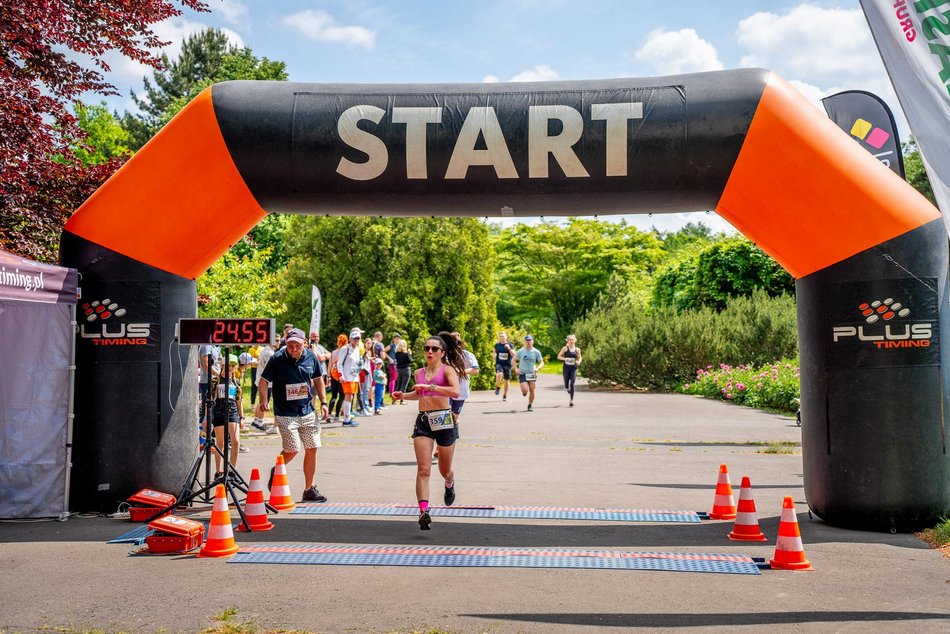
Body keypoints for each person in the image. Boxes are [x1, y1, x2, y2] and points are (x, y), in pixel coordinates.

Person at [392, 332, 465, 530]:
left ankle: (449, 482)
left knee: (444, 469)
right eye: (427, 348)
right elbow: (418, 394)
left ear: (442, 352)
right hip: (424, 421)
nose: (430, 352)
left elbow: (455, 392)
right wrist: (403, 395)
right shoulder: (418, 372)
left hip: (444, 420)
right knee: (424, 469)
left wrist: (430, 386)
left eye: (434, 349)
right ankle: (424, 511)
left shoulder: (448, 370)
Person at [258, 328, 330, 502]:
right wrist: (263, 399)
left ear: (304, 343)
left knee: (312, 447)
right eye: (290, 346)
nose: (294, 349)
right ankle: (277, 469)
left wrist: (324, 402)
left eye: (297, 346)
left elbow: (318, 379)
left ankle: (309, 489)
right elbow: (263, 380)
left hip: (307, 410)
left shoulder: (311, 357)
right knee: (293, 449)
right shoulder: (277, 359)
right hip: (285, 412)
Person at [211, 363, 243, 476]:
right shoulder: (216, 381)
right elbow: (210, 398)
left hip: (233, 412)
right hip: (219, 412)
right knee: (220, 443)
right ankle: (218, 471)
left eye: (231, 368)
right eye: (226, 367)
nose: (228, 370)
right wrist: (207, 417)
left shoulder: (236, 382)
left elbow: (239, 400)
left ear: (234, 369)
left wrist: (242, 417)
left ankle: (232, 470)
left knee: (236, 441)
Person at [334, 329, 363, 426]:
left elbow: (357, 362)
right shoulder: (345, 348)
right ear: (350, 339)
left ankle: (348, 417)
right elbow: (339, 363)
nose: (356, 340)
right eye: (354, 338)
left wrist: (360, 365)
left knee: (350, 398)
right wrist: (341, 375)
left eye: (358, 338)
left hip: (354, 376)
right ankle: (346, 420)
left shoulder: (357, 349)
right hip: (346, 377)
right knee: (348, 397)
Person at [514, 334, 544, 412]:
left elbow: (541, 362)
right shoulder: (521, 351)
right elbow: (513, 360)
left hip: (531, 373)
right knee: (525, 390)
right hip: (522, 373)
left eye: (530, 340)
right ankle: (524, 392)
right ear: (525, 342)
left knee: (532, 389)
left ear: (532, 342)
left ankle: (530, 405)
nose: (528, 342)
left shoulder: (536, 352)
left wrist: (538, 368)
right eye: (527, 341)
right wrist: (516, 369)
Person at [327, 333, 348, 422]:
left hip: (333, 374)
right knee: (342, 396)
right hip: (340, 375)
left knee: (334, 396)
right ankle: (336, 416)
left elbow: (330, 365)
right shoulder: (346, 351)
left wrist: (328, 376)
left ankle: (328, 414)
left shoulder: (334, 352)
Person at [557, 334, 582, 407]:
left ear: (575, 340)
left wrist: (579, 362)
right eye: (570, 340)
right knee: (566, 384)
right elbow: (558, 357)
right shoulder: (565, 348)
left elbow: (580, 357)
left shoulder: (577, 350)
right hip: (566, 368)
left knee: (573, 383)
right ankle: (567, 388)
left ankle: (571, 400)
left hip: (574, 368)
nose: (571, 341)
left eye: (572, 339)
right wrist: (565, 359)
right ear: (567, 341)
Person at [493, 332, 516, 401]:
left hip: (507, 365)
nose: (502, 337)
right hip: (499, 363)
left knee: (506, 381)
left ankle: (505, 395)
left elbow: (514, 355)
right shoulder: (497, 345)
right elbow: (494, 352)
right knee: (499, 374)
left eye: (503, 336)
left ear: (506, 337)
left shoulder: (510, 345)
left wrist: (509, 348)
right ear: (499, 338)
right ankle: (498, 387)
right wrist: (494, 356)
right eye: (501, 336)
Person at [393, 340, 413, 404]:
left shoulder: (396, 354)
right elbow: (410, 361)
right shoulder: (406, 354)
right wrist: (410, 354)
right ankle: (402, 400)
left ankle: (394, 399)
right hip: (406, 370)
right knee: (403, 386)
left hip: (399, 370)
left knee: (398, 385)